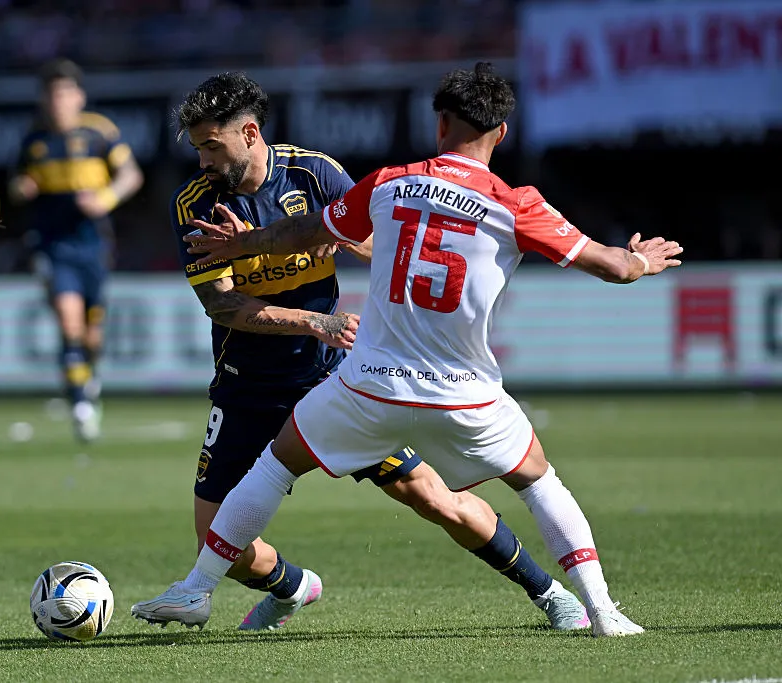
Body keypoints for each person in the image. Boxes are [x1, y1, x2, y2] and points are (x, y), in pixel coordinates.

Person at [134, 62, 684, 637]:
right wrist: (640, 261)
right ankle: (292, 587)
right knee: (534, 479)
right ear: (501, 133)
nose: (203, 161)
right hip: (263, 379)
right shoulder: (195, 202)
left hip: (344, 376)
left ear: (249, 133)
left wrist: (292, 265)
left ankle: (546, 592)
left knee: (429, 497)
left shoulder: (341, 176)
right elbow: (224, 305)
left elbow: (346, 234)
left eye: (210, 146)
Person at [10, 59, 144, 442]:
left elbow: (131, 175)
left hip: (92, 242)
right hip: (52, 244)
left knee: (92, 332)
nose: (59, 101)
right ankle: (80, 403)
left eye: (66, 93)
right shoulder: (33, 139)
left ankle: (88, 378)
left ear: (79, 97)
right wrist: (22, 189)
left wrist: (106, 198)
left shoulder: (100, 132)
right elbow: (17, 184)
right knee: (69, 320)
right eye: (53, 94)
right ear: (44, 99)